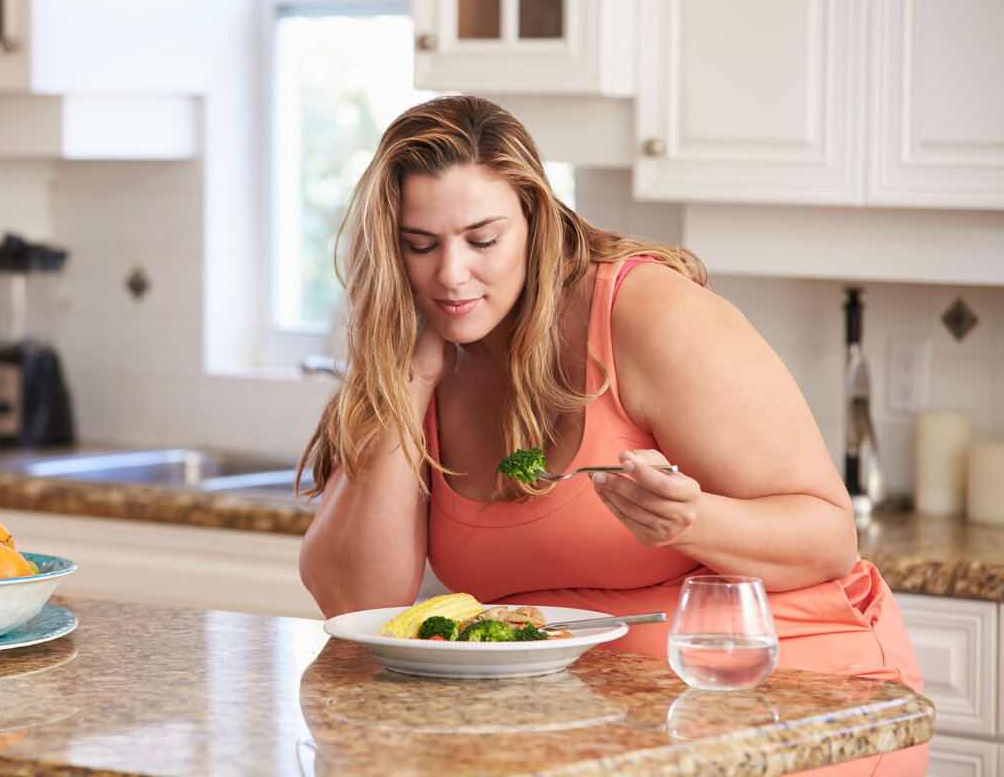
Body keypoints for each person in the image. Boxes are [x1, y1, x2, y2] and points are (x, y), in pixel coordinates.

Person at [296, 96, 924, 775]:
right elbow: (360, 608)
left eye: (483, 240)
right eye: (420, 246)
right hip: (583, 720)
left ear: (536, 219)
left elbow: (829, 538)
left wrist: (691, 519)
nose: (451, 275)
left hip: (790, 700)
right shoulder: (424, 352)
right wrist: (410, 377)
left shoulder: (646, 316)